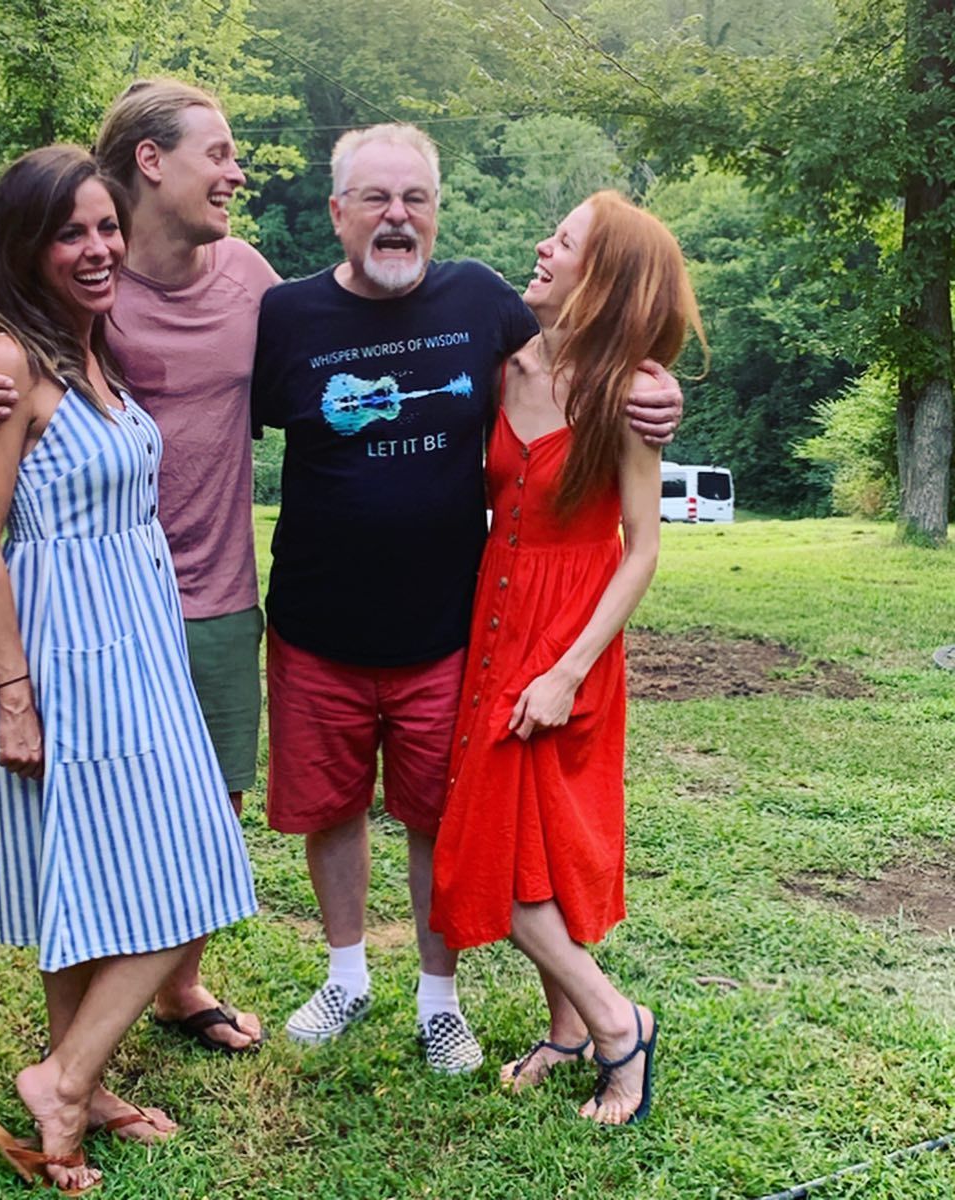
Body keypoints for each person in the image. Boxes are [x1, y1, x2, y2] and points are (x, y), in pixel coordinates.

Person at [251, 126, 684, 1074]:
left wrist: (659, 389)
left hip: (455, 629)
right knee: (336, 809)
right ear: (337, 211)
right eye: (376, 198)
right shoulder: (287, 315)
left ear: (437, 213)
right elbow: (201, 401)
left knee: (448, 821)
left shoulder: (483, 302)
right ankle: (349, 976)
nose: (397, 216)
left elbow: (604, 355)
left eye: (416, 198)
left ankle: (446, 1000)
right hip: (326, 623)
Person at [0, 79, 276, 1054]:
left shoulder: (245, 278)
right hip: (85, 623)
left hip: (205, 593)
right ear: (151, 162)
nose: (235, 172)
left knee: (210, 813)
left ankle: (176, 991)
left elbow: (340, 352)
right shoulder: (79, 304)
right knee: (95, 837)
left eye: (102, 230)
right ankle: (74, 1065)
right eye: (219, 152)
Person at [429, 191, 706, 1123]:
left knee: (492, 857)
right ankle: (568, 1031)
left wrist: (568, 670)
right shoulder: (502, 365)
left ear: (606, 277)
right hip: (496, 623)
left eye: (566, 241)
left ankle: (618, 1024)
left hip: (569, 639)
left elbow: (643, 549)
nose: (542, 248)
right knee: (527, 847)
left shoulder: (627, 395)